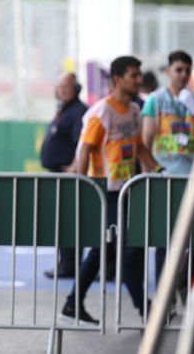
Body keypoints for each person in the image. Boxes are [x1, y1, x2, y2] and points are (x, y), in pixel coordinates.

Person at [60, 55, 161, 324]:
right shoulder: (102, 111)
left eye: (139, 75)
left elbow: (139, 147)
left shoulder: (134, 111)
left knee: (105, 248)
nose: (139, 79)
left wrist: (159, 172)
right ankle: (145, 306)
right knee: (122, 246)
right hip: (105, 192)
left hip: (128, 189)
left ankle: (73, 302)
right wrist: (82, 189)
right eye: (133, 75)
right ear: (117, 79)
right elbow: (84, 150)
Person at [141, 50, 194, 306]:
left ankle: (182, 278)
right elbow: (145, 142)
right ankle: (162, 299)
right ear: (168, 71)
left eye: (187, 70)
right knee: (164, 240)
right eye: (178, 69)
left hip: (193, 177)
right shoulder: (155, 100)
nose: (182, 74)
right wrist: (154, 172)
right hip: (165, 177)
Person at [40, 72, 87, 279]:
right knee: (62, 221)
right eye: (59, 87)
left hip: (68, 177)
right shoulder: (64, 110)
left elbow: (82, 143)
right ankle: (65, 263)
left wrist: (74, 168)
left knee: (69, 221)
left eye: (66, 87)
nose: (62, 90)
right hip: (58, 174)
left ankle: (69, 265)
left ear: (76, 89)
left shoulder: (78, 112)